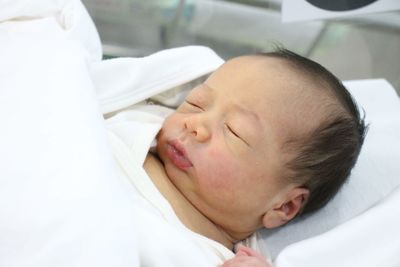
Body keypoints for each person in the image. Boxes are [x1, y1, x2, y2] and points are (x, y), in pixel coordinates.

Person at [108, 48, 366, 266]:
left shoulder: (217, 258)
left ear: (283, 206)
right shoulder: (138, 123)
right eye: (196, 103)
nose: (195, 125)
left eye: (234, 131)